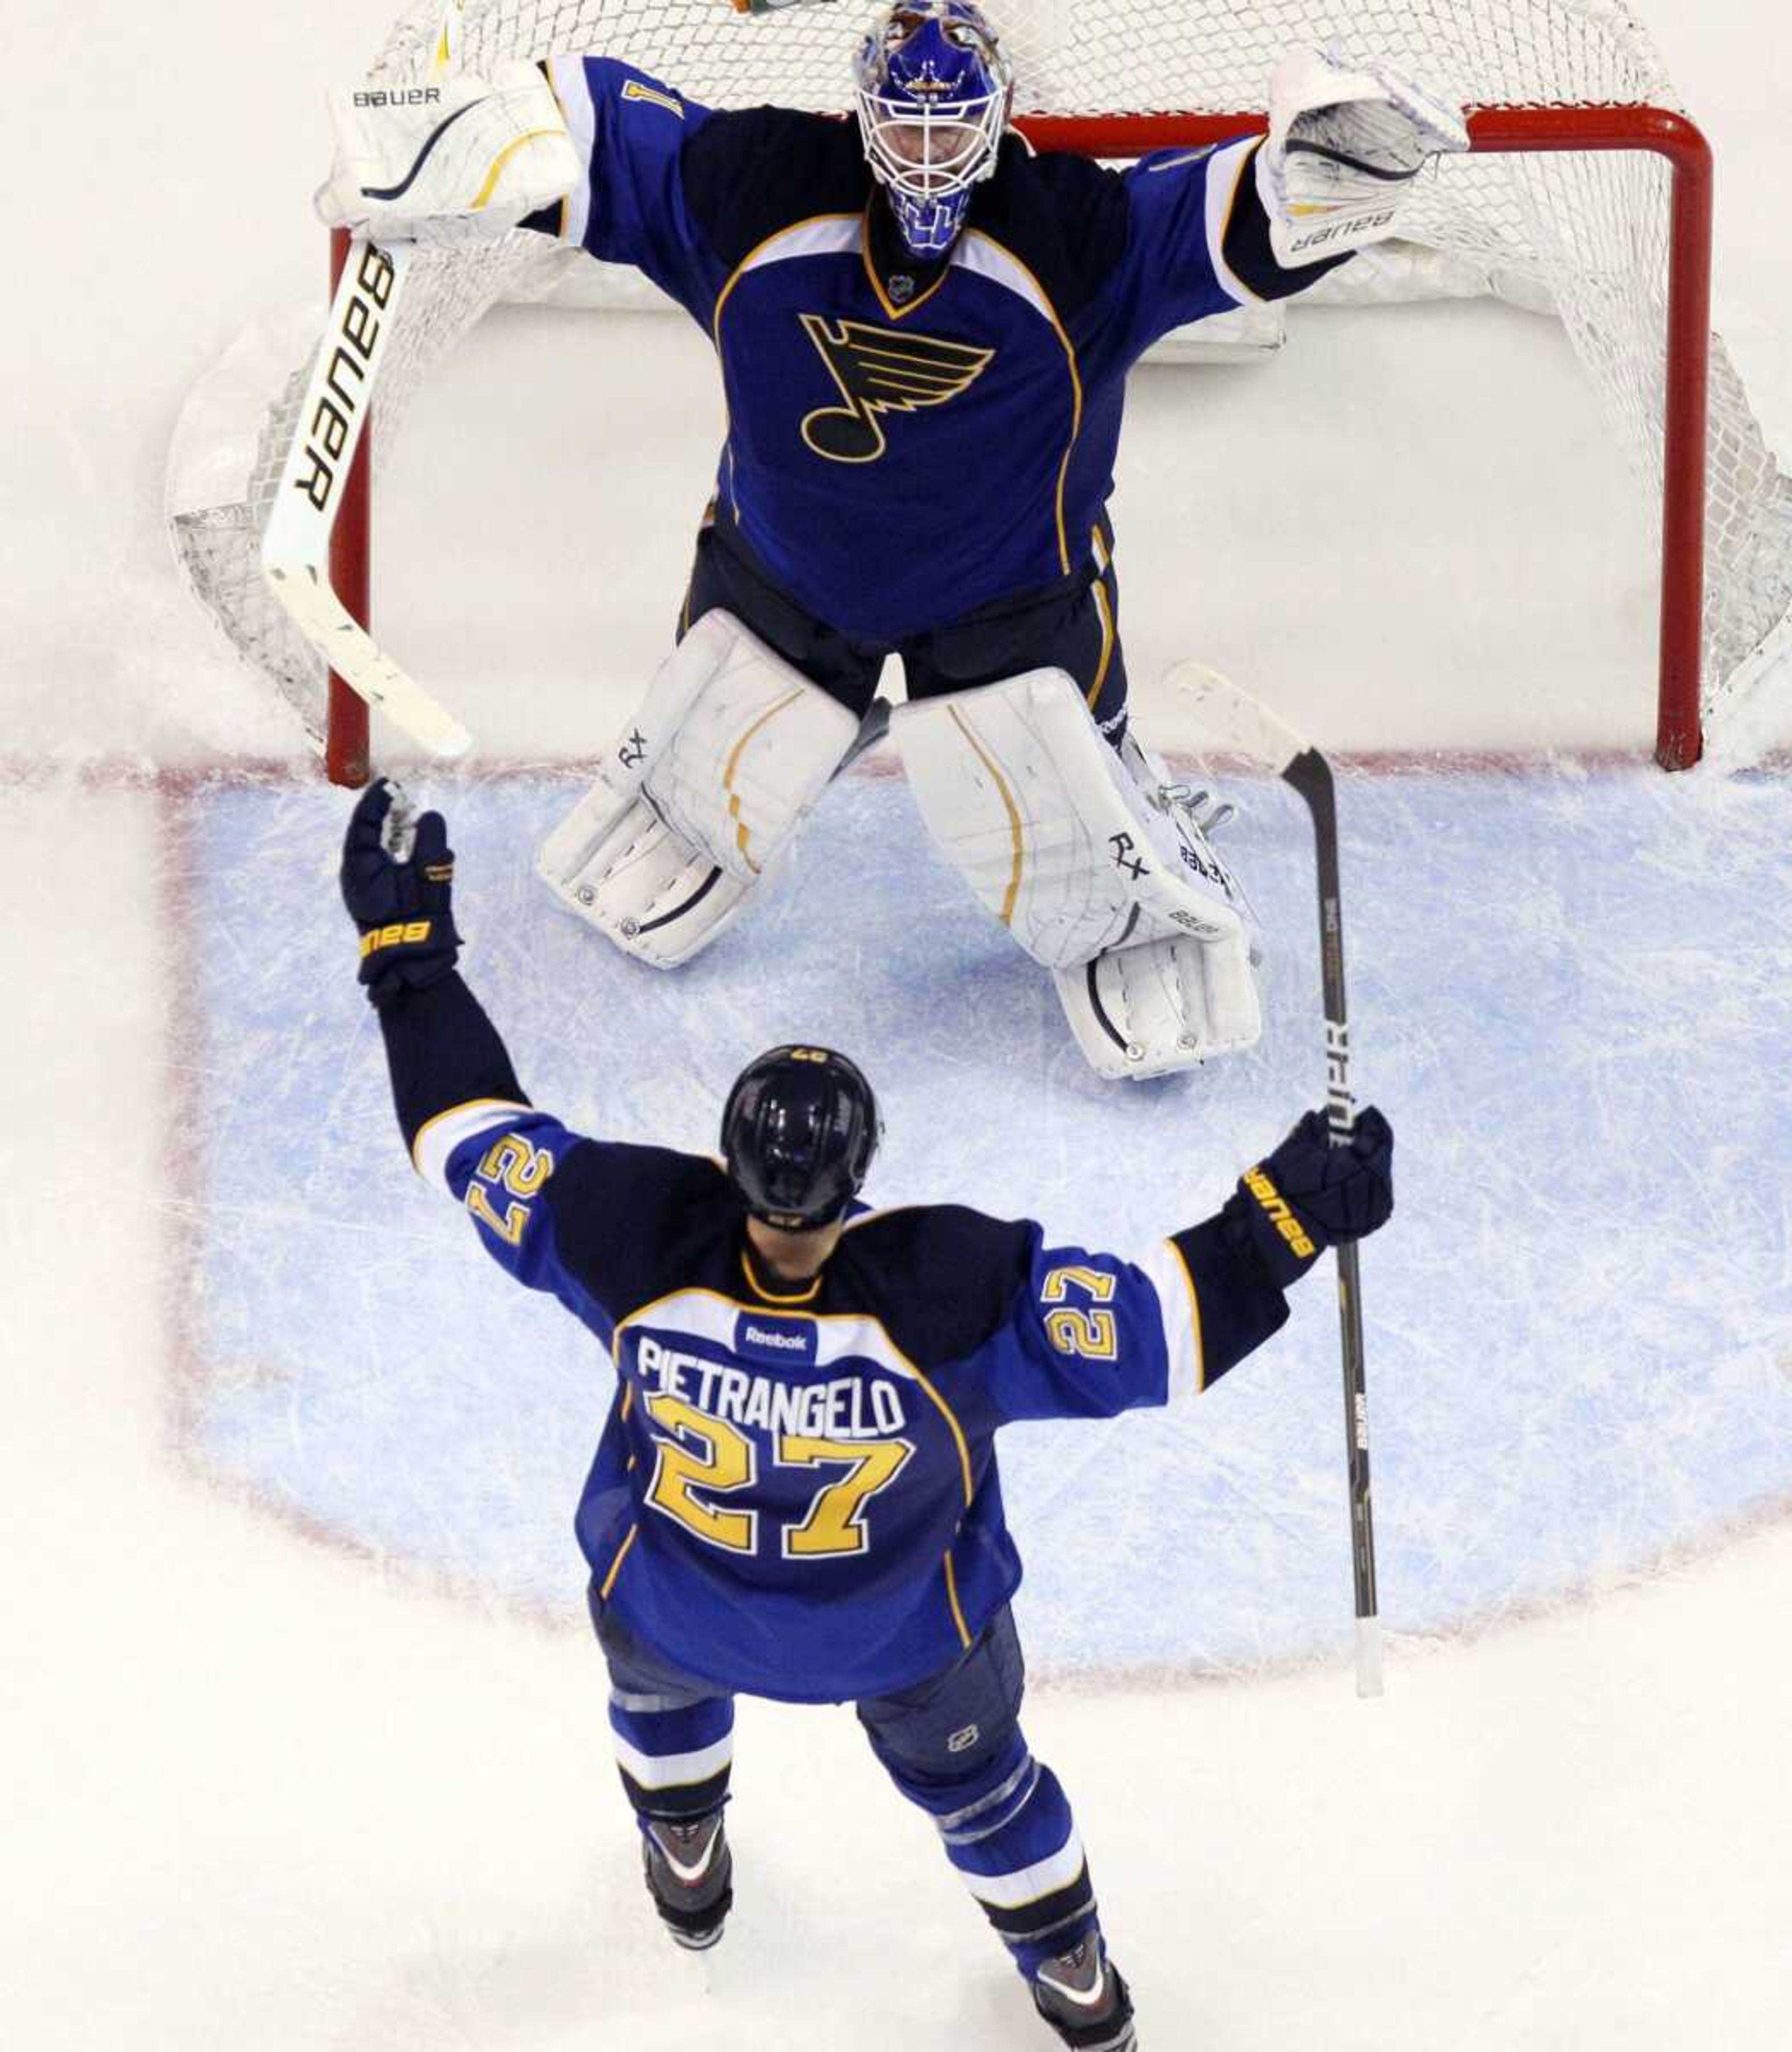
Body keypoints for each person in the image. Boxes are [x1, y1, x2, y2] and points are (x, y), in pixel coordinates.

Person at [341, 779, 1396, 2049]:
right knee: (986, 1786)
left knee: (655, 1668)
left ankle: (685, 1850)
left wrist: (408, 963)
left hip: (677, 1602)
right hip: (903, 1645)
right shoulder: (948, 1289)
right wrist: (1287, 1213)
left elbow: (463, 1133)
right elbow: (1164, 1332)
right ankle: (1072, 1977)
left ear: (728, 1163)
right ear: (864, 1176)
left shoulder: (625, 1231)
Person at [319, 4, 1466, 1081]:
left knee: (1066, 788)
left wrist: (1325, 166)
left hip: (1012, 610)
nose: (926, 154)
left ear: (1000, 116)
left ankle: (1125, 875)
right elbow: (600, 134)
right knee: (707, 753)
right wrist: (478, 140)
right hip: (782, 577)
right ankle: (705, 804)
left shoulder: (1073, 238)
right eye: (903, 124)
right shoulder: (760, 192)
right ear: (862, 120)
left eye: (949, 123)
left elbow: (1239, 221)